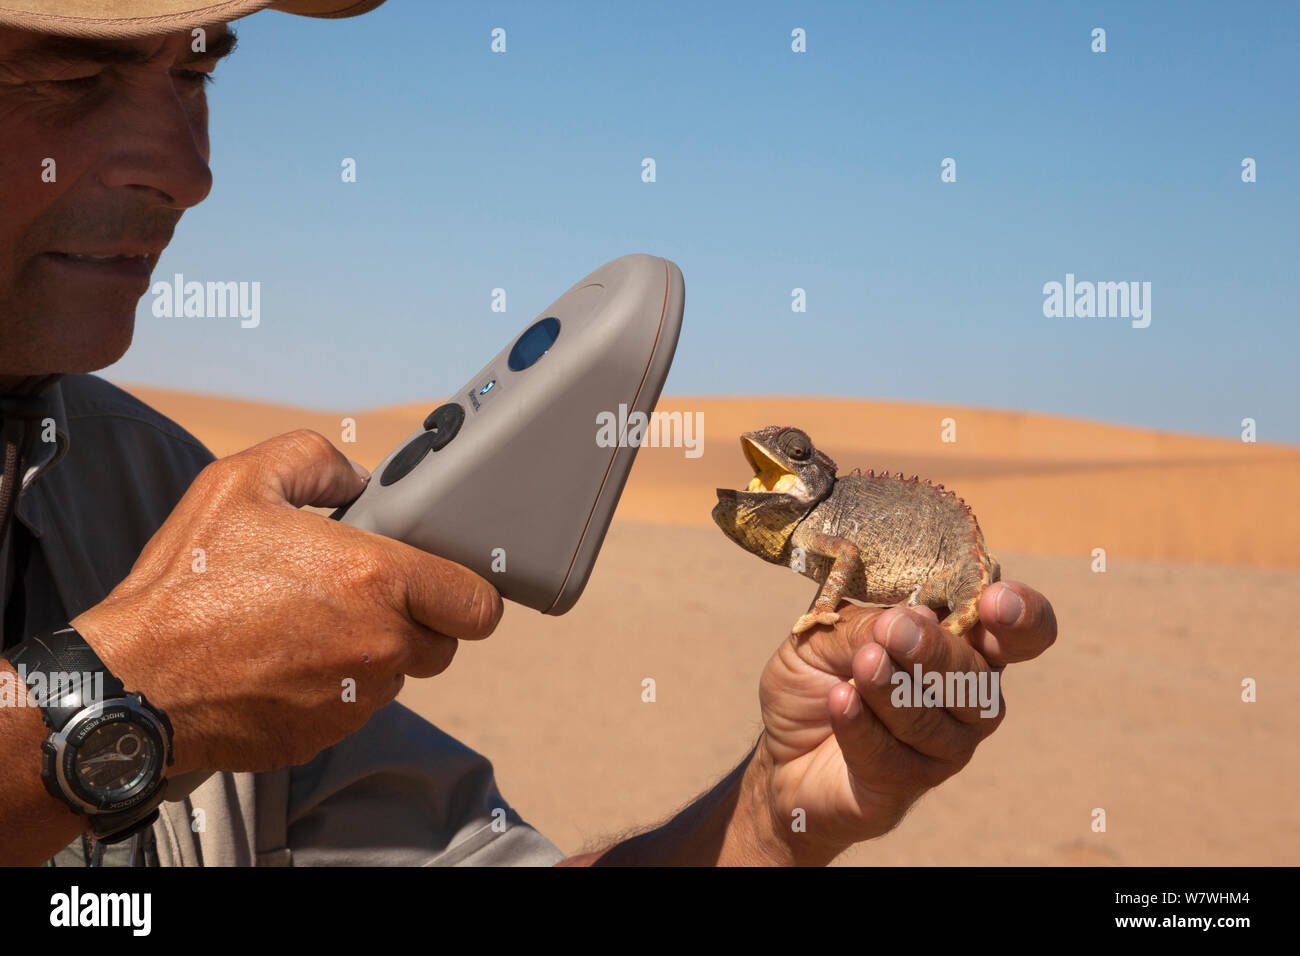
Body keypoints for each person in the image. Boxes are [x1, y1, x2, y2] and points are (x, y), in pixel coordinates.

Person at [0, 0, 1058, 867]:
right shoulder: (184, 599)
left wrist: (769, 816)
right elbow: (138, 686)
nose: (188, 170)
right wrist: (108, 706)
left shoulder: (161, 505)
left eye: (195, 76)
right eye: (66, 77)